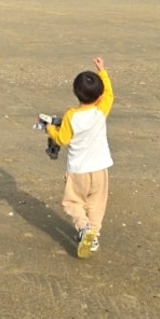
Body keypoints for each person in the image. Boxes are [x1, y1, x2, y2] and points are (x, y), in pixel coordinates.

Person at [39, 56, 114, 259]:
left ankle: (83, 227)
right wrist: (102, 72)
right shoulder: (101, 110)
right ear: (98, 97)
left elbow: (62, 138)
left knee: (72, 202)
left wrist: (49, 129)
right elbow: (110, 94)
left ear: (75, 92)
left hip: (78, 170)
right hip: (100, 169)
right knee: (97, 204)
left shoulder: (72, 116)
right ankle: (94, 235)